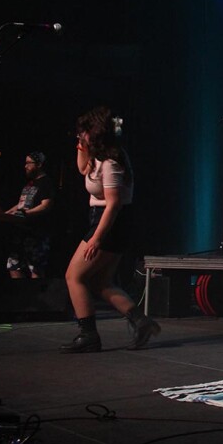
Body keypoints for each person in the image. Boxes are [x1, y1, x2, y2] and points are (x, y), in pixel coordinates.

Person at [61, 106, 159, 353]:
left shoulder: (111, 162)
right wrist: (81, 148)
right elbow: (83, 170)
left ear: (94, 133)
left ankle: (88, 335)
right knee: (101, 281)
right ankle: (141, 321)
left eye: (82, 133)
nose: (79, 136)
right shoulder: (98, 159)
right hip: (106, 220)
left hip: (111, 222)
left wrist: (96, 237)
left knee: (74, 276)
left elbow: (114, 204)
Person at [5, 151, 56, 278]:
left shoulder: (46, 182)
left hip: (37, 233)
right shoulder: (29, 184)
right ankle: (19, 295)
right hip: (21, 232)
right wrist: (7, 213)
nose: (25, 166)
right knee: (13, 265)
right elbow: (21, 204)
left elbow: (46, 205)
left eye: (29, 163)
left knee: (36, 269)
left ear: (39, 164)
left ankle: (33, 296)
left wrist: (26, 214)